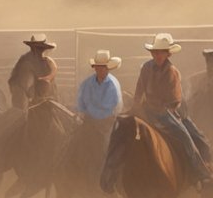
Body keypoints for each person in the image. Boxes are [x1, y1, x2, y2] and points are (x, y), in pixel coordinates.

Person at [132, 32, 211, 185]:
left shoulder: (171, 72)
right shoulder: (147, 69)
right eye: (155, 52)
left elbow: (174, 101)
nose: (157, 55)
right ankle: (201, 172)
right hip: (153, 110)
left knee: (188, 137)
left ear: (167, 54)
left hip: (166, 111)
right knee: (186, 137)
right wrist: (137, 107)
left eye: (161, 52)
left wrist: (159, 109)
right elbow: (139, 89)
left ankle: (199, 169)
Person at [8, 34, 58, 109]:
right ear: (33, 48)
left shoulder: (47, 62)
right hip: (30, 104)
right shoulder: (26, 62)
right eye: (37, 48)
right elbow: (24, 86)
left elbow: (51, 86)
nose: (39, 50)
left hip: (46, 102)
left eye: (41, 48)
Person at [76, 50, 122, 121]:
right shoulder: (87, 83)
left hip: (108, 121)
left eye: (103, 67)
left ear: (107, 68)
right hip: (89, 120)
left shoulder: (112, 84)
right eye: (98, 67)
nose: (100, 69)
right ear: (95, 68)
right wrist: (81, 112)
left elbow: (111, 107)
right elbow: (81, 100)